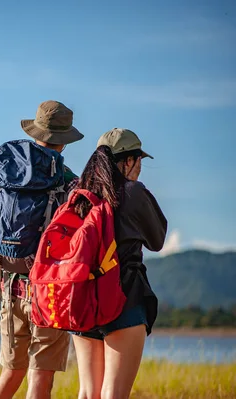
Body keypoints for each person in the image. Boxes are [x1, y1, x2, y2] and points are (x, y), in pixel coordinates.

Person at [0, 100, 84, 399]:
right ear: (64, 141)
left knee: (10, 373)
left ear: (35, 131)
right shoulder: (70, 184)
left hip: (9, 286)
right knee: (40, 381)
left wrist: (3, 278)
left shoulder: (2, 176)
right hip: (48, 292)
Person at [70, 128, 168, 399]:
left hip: (83, 296)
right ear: (129, 161)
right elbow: (157, 239)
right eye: (138, 161)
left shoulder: (78, 193)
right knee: (114, 393)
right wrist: (135, 186)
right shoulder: (132, 192)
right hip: (124, 295)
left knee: (88, 392)